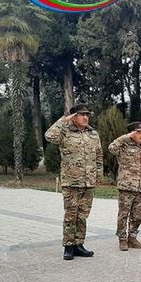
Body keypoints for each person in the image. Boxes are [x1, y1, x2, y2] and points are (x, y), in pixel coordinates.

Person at [45, 103, 102, 260]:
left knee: (82, 216)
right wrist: (64, 120)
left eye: (87, 115)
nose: (85, 117)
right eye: (82, 114)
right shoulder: (64, 132)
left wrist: (98, 175)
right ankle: (68, 246)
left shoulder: (93, 134)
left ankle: (79, 245)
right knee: (71, 215)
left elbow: (99, 155)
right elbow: (49, 135)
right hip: (71, 182)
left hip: (88, 182)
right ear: (74, 117)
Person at [108, 121, 141, 251]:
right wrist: (125, 137)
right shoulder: (123, 146)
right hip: (127, 187)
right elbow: (111, 148)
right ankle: (122, 239)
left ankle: (132, 237)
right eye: (138, 132)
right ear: (131, 134)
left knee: (137, 215)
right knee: (124, 214)